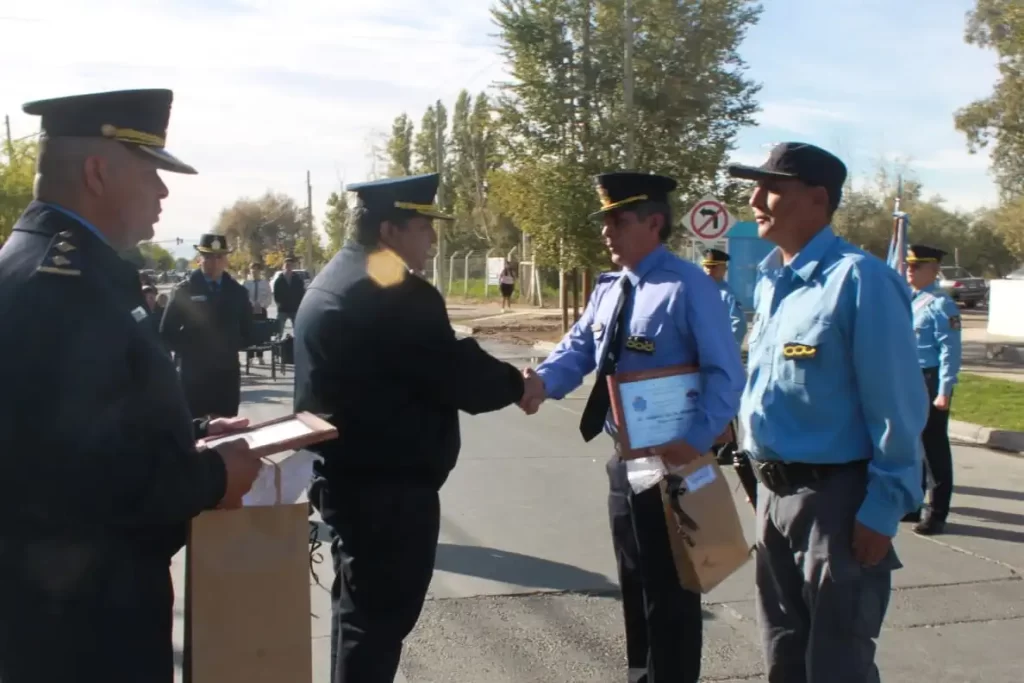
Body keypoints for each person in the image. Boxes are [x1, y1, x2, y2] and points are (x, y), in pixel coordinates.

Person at [0, 88, 262, 683]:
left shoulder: (58, 266)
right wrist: (215, 475)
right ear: (97, 172)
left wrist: (191, 434)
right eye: (150, 171)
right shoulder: (66, 285)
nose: (164, 191)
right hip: (84, 624)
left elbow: (84, 427)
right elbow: (89, 478)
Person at [292, 172, 545, 683]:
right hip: (389, 493)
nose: (432, 237)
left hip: (346, 480)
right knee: (377, 625)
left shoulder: (336, 274)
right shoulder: (393, 290)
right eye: (423, 226)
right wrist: (518, 385)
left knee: (357, 618)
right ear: (390, 230)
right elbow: (455, 372)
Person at [521, 172, 745, 683]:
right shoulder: (611, 288)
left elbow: (725, 373)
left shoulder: (687, 287)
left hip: (673, 464)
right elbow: (579, 348)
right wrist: (540, 384)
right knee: (634, 578)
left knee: (672, 590)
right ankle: (640, 673)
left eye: (618, 221)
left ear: (653, 222)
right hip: (624, 461)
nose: (607, 231)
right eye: (605, 221)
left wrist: (695, 441)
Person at [727, 142, 928, 683]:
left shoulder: (859, 280)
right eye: (755, 187)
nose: (755, 200)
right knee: (783, 657)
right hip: (773, 497)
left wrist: (882, 509)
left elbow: (897, 406)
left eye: (772, 189)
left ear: (818, 199)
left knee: (837, 665)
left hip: (836, 503)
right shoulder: (773, 281)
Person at [904, 244, 962, 536]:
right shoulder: (913, 299)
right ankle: (913, 503)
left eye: (917, 266)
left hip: (931, 378)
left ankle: (937, 513)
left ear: (934, 269)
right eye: (909, 265)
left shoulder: (941, 304)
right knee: (913, 443)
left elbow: (950, 351)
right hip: (911, 378)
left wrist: (944, 390)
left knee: (933, 446)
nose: (910, 270)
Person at [160, 233, 252, 418]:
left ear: (226, 260)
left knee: (227, 425)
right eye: (208, 256)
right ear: (199, 259)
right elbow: (166, 331)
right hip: (194, 373)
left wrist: (229, 345)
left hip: (226, 372)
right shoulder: (184, 290)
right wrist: (190, 349)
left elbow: (248, 329)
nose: (214, 262)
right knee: (196, 426)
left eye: (219, 257)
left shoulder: (237, 291)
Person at [701, 248, 747, 348]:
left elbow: (738, 325)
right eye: (706, 266)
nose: (709, 270)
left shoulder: (728, 295)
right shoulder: (697, 291)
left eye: (714, 266)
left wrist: (727, 348)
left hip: (718, 349)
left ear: (724, 269)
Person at [243, 261, 274, 364]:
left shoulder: (265, 283)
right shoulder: (246, 283)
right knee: (250, 334)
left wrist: (262, 305)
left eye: (257, 269)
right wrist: (252, 304)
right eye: (253, 269)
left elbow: (269, 297)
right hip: (249, 311)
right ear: (250, 271)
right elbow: (244, 297)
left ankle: (260, 357)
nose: (254, 271)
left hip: (262, 310)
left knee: (260, 334)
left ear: (260, 271)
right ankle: (250, 357)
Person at [273, 254, 305, 333]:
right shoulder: (279, 280)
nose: (288, 267)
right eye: (286, 265)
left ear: (292, 267)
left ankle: (296, 340)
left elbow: (301, 292)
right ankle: (278, 339)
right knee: (279, 329)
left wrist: (300, 304)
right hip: (282, 309)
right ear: (283, 267)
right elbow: (276, 294)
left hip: (295, 308)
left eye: (290, 265)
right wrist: (279, 304)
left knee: (297, 329)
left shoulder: (298, 280)